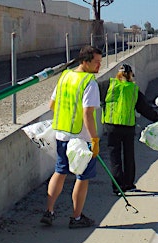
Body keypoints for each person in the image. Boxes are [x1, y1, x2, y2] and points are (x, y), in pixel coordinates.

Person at [40, 45, 102, 229]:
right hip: (81, 139)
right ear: (85, 61)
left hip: (62, 135)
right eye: (96, 62)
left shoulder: (65, 77)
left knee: (60, 171)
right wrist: (94, 140)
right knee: (82, 177)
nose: (99, 66)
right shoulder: (89, 82)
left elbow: (52, 105)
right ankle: (76, 218)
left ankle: (49, 211)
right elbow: (87, 114)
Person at [99, 64, 158, 195]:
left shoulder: (107, 85)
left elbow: (91, 93)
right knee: (129, 156)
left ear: (118, 74)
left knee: (115, 157)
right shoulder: (134, 89)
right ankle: (128, 184)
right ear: (130, 75)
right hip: (128, 127)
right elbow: (144, 108)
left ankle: (117, 186)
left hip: (111, 126)